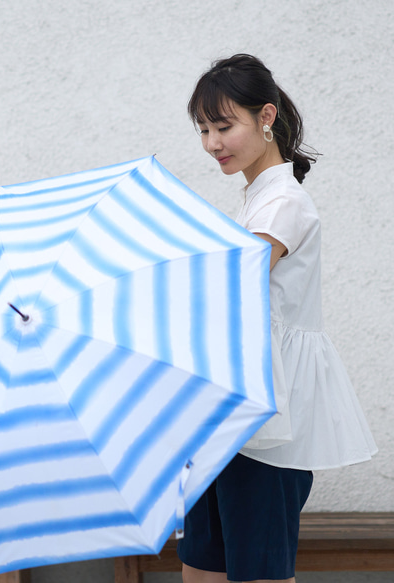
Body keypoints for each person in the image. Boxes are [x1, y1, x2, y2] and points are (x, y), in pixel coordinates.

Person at [177, 54, 378, 583]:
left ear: (266, 117)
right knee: (201, 564)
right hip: (227, 408)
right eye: (203, 129)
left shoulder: (283, 203)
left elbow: (231, 290)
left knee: (258, 572)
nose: (212, 143)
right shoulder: (252, 203)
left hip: (268, 417)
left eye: (224, 126)